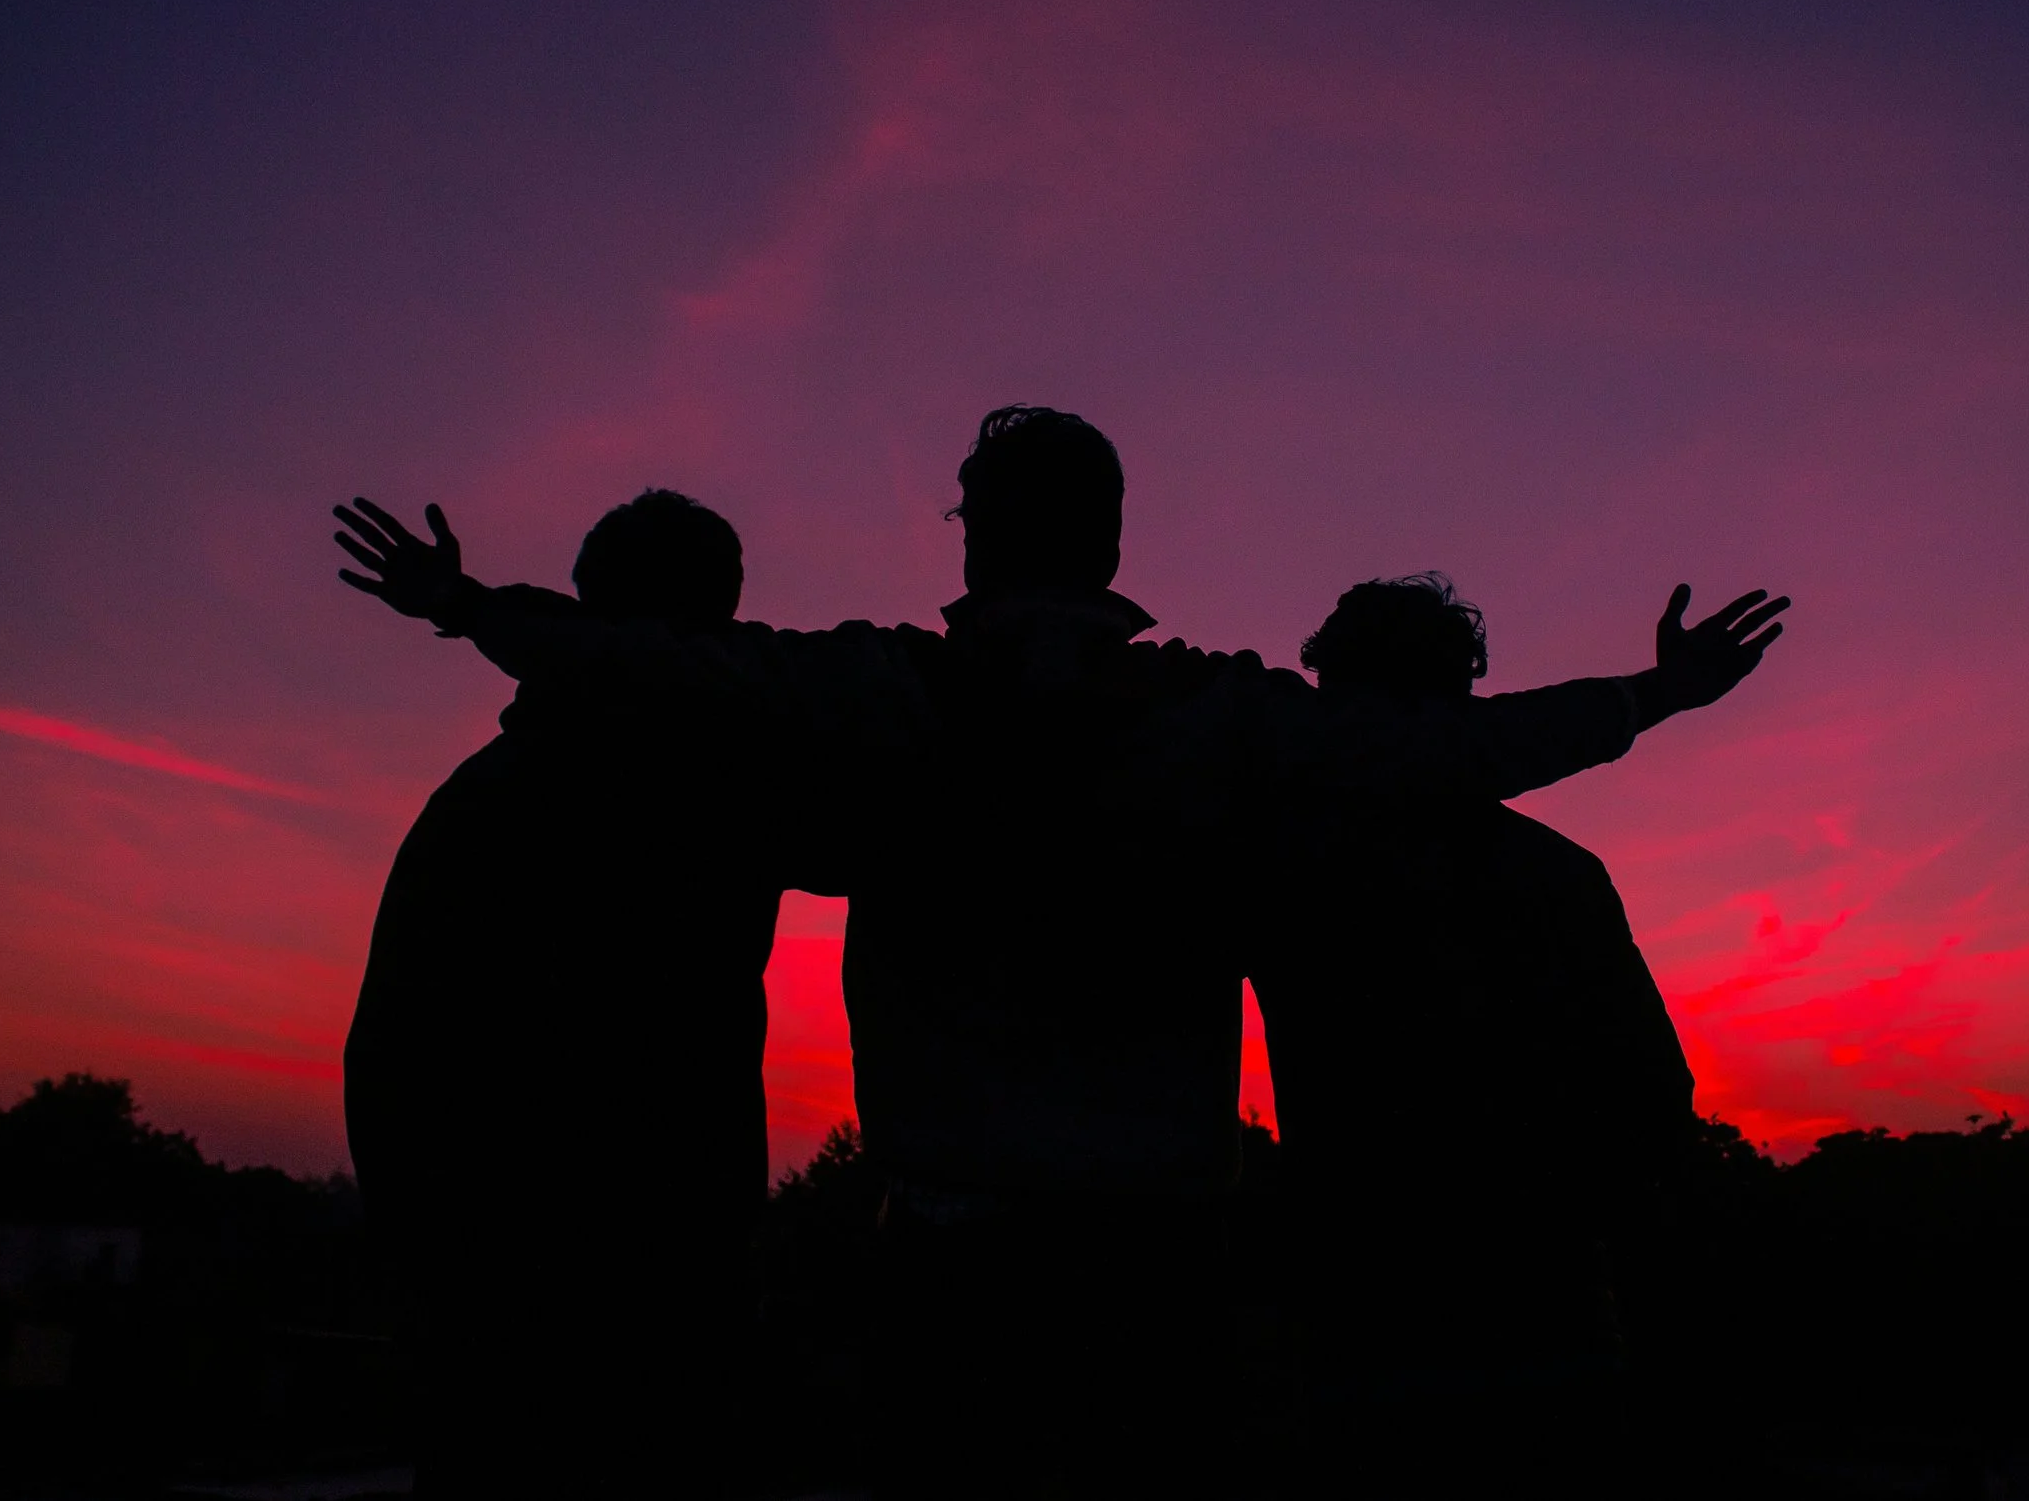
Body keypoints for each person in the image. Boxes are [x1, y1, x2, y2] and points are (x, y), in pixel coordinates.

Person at [333, 407, 1788, 1497]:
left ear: (972, 533)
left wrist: (473, 610)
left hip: (951, 1272)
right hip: (1161, 1279)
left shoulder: (876, 694)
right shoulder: (1224, 723)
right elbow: (1456, 747)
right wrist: (1654, 694)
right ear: (1111, 541)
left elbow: (664, 662)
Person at [340, 489, 800, 1500]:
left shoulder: (491, 797)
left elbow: (387, 1061)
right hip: (658, 1279)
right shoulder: (746, 778)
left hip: (509, 1289)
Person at [1252, 574, 1701, 1496]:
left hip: (1357, 1312)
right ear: (1463, 694)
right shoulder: (1560, 875)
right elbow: (1655, 1103)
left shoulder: (1280, 871)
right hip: (1546, 1310)